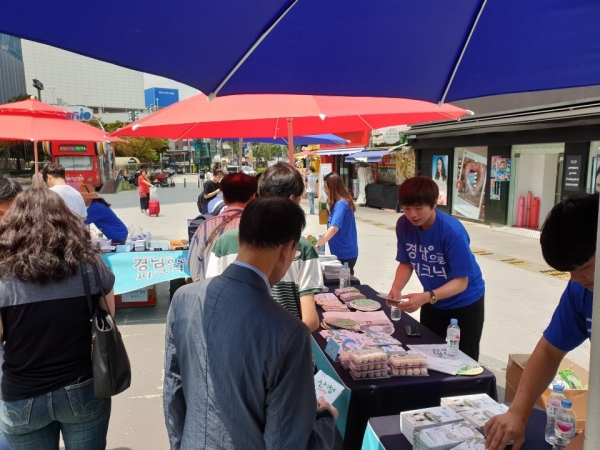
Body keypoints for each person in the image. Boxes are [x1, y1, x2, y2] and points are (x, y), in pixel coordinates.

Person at [164, 197, 337, 450]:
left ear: (240, 238)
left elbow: (173, 391)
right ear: (288, 249)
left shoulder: (184, 298)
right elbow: (288, 443)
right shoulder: (289, 332)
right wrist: (325, 419)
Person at [0, 188, 115, 449]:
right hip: (83, 387)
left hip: (21, 395)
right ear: (65, 220)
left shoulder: (2, 272)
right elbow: (108, 318)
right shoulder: (90, 265)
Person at [484, 193, 598, 450]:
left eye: (586, 266)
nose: (577, 278)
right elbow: (550, 349)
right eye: (570, 271)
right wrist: (517, 412)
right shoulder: (582, 289)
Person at [206, 163, 322, 332]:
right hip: (285, 344)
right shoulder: (301, 247)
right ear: (292, 200)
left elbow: (212, 300)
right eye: (299, 197)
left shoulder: (224, 242)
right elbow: (309, 320)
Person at [388, 176, 485, 361]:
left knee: (465, 361)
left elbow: (461, 282)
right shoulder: (403, 225)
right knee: (429, 355)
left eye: (419, 208)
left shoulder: (451, 232)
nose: (412, 215)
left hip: (465, 303)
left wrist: (426, 296)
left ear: (434, 204)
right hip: (433, 301)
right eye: (406, 208)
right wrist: (396, 288)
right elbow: (406, 262)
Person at [188, 172, 258, 282]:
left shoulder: (205, 227)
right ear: (253, 196)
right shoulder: (261, 226)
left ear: (224, 198)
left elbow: (193, 266)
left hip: (211, 293)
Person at [315, 172, 359, 275]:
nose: (325, 191)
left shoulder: (341, 204)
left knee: (345, 284)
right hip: (341, 252)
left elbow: (334, 228)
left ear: (334, 188)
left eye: (326, 188)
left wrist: (317, 244)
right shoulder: (339, 203)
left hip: (345, 253)